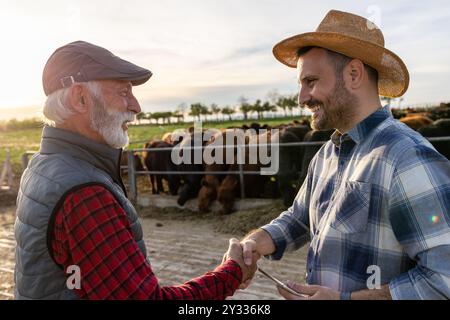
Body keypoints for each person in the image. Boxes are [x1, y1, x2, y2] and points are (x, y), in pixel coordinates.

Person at [14, 41, 256, 300]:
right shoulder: (85, 193)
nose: (136, 106)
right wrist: (231, 274)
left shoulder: (44, 165)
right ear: (80, 98)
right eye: (124, 92)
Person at [239, 10, 450, 300]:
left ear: (353, 74)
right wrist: (255, 242)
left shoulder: (406, 158)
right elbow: (300, 217)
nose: (301, 98)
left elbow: (444, 279)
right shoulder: (326, 155)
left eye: (310, 81)